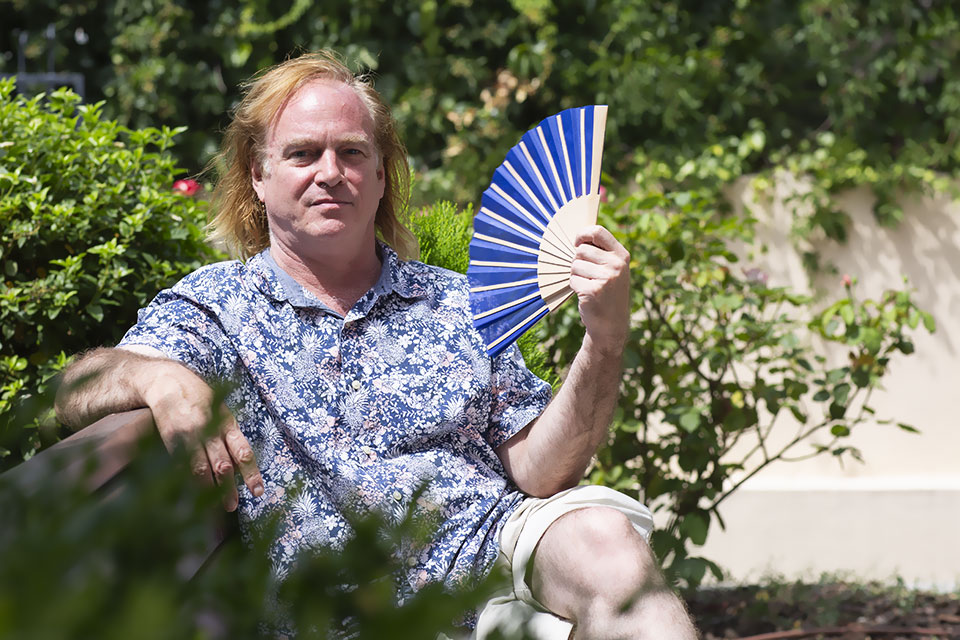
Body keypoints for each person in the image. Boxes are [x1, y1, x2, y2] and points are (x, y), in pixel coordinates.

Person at [54, 50, 699, 640]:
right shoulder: (216, 310)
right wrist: (158, 380)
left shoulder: (458, 302)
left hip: (491, 570)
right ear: (259, 173)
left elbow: (540, 470)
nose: (330, 173)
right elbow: (76, 387)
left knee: (610, 545)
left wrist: (605, 341)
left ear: (383, 175)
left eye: (353, 153)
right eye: (304, 153)